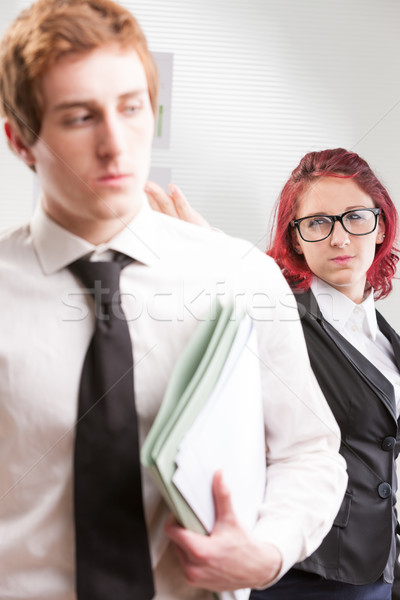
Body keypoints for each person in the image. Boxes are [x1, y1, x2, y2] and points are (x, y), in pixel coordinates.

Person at [0, 2, 348, 599]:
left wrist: (267, 551)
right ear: (20, 139)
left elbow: (310, 452)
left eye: (133, 109)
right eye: (81, 118)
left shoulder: (240, 277)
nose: (116, 145)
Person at [146, 147, 400, 599]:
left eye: (356, 217)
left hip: (376, 566)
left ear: (380, 225)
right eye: (318, 222)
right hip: (306, 570)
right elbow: (238, 295)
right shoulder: (277, 314)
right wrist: (210, 257)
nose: (340, 238)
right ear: (297, 239)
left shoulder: (384, 337)